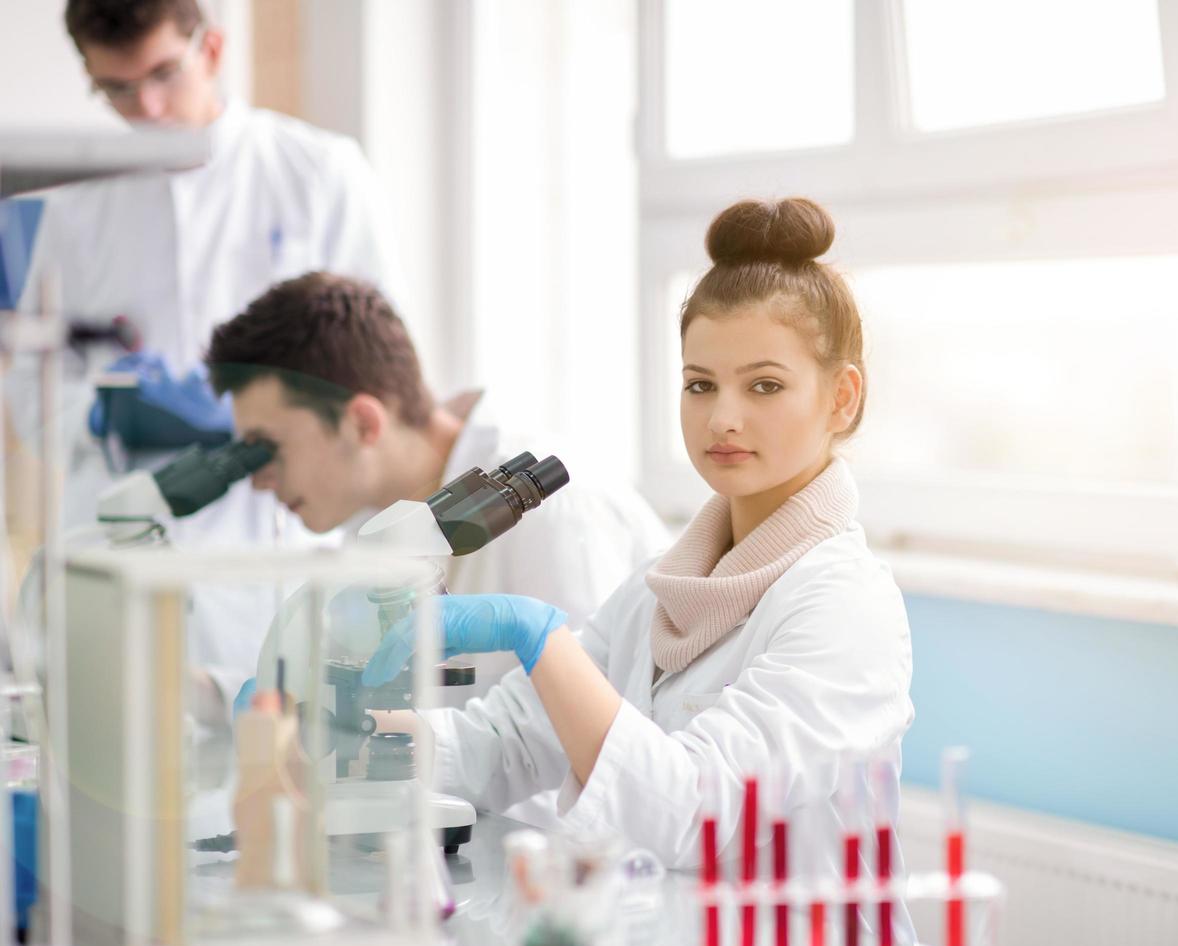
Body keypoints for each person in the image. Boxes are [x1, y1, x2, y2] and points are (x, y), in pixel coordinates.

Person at [366, 199, 915, 891]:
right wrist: (351, 738)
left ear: (842, 397)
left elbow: (694, 814)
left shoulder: (845, 607)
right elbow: (502, 746)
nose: (722, 417)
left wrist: (540, 640)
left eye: (765, 386)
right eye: (699, 385)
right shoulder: (663, 584)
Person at [12, 0, 400, 723]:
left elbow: (379, 369)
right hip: (119, 564)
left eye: (163, 74)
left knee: (275, 789)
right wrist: (103, 415)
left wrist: (261, 412)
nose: (148, 107)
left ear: (212, 48)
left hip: (275, 560)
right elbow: (33, 395)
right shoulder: (73, 208)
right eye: (119, 89)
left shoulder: (317, 173)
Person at [203, 271, 670, 677]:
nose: (257, 480)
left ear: (363, 422)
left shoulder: (556, 509)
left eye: (267, 448)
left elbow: (594, 736)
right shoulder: (380, 529)